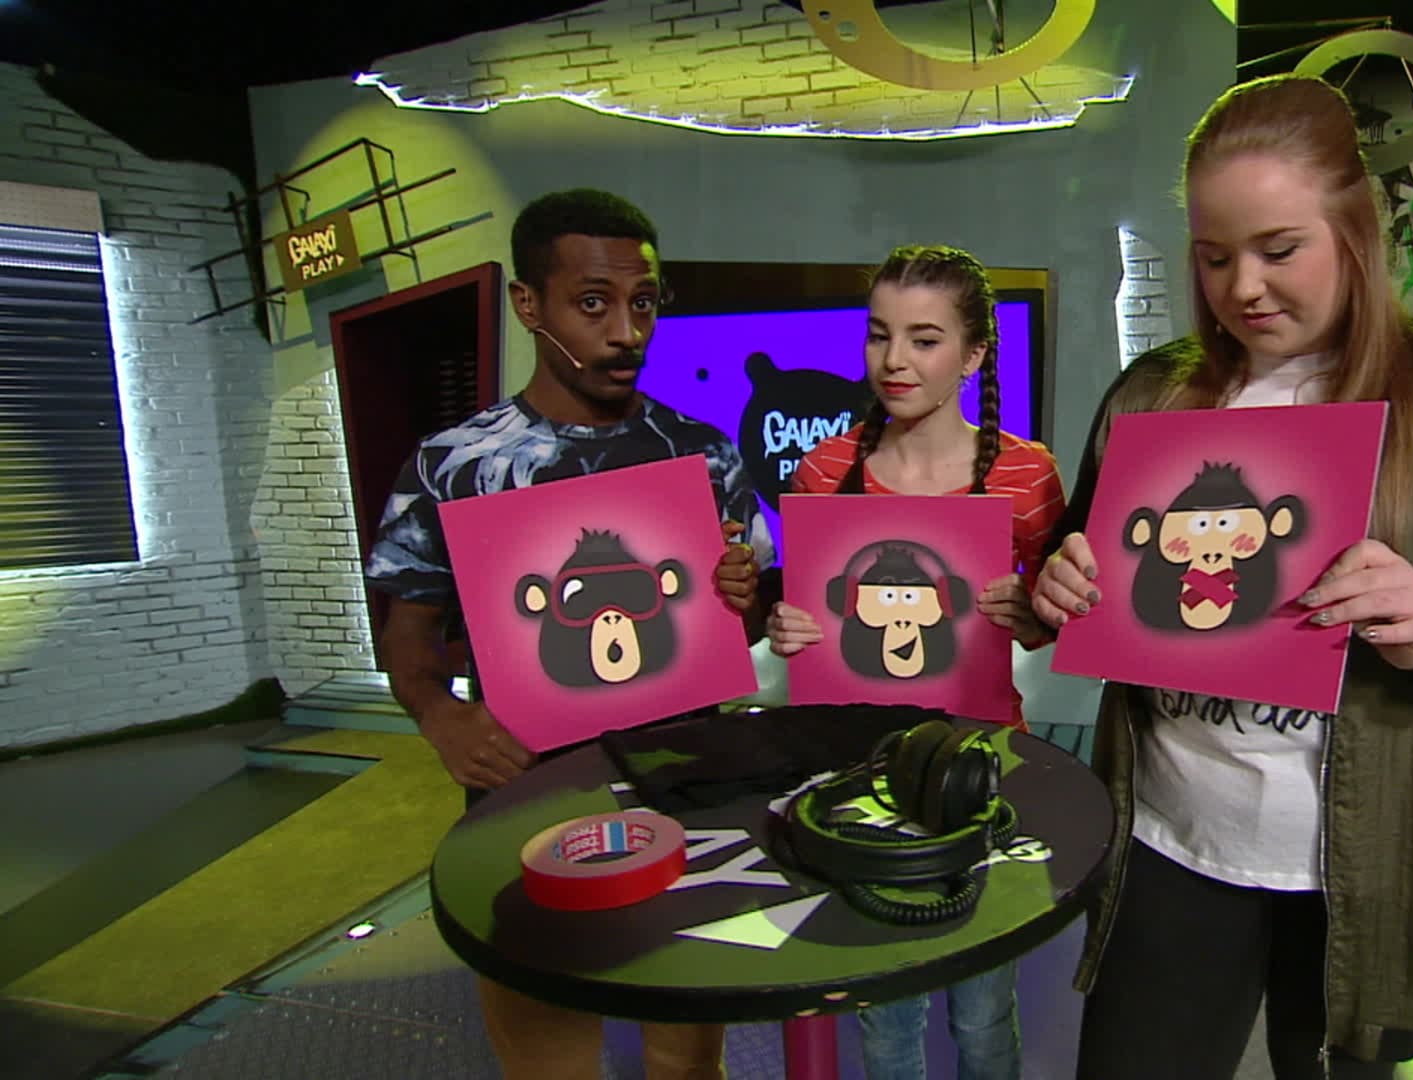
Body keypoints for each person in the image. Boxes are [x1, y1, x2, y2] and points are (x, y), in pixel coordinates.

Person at [1033, 75, 1413, 1079]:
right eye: (1214, 256)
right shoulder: (1152, 395)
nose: (1243, 288)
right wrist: (1059, 584)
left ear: (1355, 233)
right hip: (1171, 840)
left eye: (1278, 249)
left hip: (1368, 860)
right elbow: (1077, 563)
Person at [365, 188, 771, 1080]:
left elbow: (734, 624)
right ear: (528, 304)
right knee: (550, 1061)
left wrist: (739, 593)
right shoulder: (454, 463)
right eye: (593, 303)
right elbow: (408, 630)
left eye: (643, 302)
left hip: (684, 789)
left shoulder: (704, 453)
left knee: (687, 1062)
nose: (626, 331)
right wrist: (439, 715)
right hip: (527, 797)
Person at [766, 244, 1065, 1080]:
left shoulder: (1028, 473)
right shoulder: (824, 470)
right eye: (879, 334)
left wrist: (1032, 615)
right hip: (857, 765)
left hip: (978, 764)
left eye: (924, 339)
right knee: (886, 1016)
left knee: (983, 1015)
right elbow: (807, 614)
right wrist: (785, 628)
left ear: (972, 356)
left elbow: (1058, 621)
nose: (894, 360)